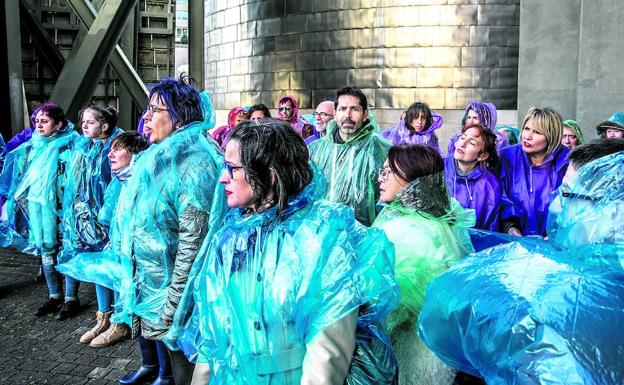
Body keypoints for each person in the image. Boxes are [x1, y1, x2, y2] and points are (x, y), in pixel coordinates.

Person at [186, 119, 399, 385]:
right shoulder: (228, 240)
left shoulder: (322, 235)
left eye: (232, 168)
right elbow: (212, 335)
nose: (223, 177)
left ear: (270, 174)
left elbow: (327, 354)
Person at [418, 138, 624, 385]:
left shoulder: (576, 298)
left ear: (611, 206)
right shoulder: (579, 268)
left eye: (567, 193)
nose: (557, 203)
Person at [114, 76, 227, 385]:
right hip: (156, 291)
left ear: (179, 118)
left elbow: (194, 243)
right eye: (147, 109)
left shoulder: (195, 164)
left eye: (156, 110)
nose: (146, 118)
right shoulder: (162, 155)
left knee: (187, 372)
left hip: (180, 302)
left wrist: (175, 304)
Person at [373, 145, 474, 385]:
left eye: (389, 172)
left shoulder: (409, 233)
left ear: (412, 182)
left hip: (414, 361)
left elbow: (382, 310)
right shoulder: (436, 218)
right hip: (437, 355)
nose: (380, 177)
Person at [0, 104, 78, 317]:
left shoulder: (70, 147)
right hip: (39, 211)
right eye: (37, 121)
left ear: (59, 124)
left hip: (63, 210)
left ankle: (71, 299)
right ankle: (54, 296)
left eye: (45, 121)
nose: (39, 125)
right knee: (46, 252)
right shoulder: (33, 146)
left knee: (67, 253)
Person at [55, 105, 123, 321]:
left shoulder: (116, 147)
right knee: (99, 265)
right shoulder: (87, 147)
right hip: (91, 219)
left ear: (104, 125)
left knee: (115, 265)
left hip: (110, 218)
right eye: (83, 121)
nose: (84, 126)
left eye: (90, 122)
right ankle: (104, 315)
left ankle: (120, 318)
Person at [309, 86, 391, 226]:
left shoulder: (381, 149)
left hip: (365, 235)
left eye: (355, 109)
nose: (347, 115)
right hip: (324, 232)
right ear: (335, 114)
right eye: (342, 109)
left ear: (365, 114)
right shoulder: (316, 149)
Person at [499, 107, 568, 237]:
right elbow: (500, 199)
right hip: (513, 244)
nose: (528, 136)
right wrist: (509, 227)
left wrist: (556, 235)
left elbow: (572, 209)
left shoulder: (566, 163)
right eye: (526, 129)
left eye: (536, 132)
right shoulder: (507, 157)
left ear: (551, 136)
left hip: (553, 245)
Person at [444, 124, 502, 231]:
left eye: (472, 143)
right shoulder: (438, 169)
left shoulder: (490, 185)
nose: (463, 143)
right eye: (462, 137)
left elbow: (490, 229)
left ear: (482, 156)